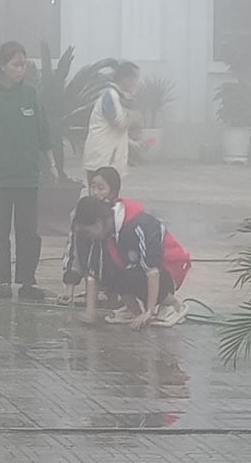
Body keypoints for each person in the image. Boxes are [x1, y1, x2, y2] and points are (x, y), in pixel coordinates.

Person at [0, 41, 58, 302]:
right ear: (2, 66)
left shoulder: (30, 94)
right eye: (16, 64)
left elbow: (43, 134)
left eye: (24, 64)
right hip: (1, 178)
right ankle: (3, 282)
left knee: (29, 232)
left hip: (28, 178)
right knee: (0, 233)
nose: (22, 69)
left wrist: (51, 164)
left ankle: (28, 281)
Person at [73, 195, 191, 329]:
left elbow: (152, 270)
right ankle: (132, 310)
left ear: (99, 224)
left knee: (134, 274)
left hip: (169, 268)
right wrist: (90, 313)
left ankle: (173, 304)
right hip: (139, 269)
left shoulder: (138, 225)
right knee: (109, 271)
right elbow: (94, 270)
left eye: (88, 231)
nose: (89, 236)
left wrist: (149, 312)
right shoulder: (106, 233)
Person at [59, 166, 122, 306]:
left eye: (101, 188)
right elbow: (72, 247)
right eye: (92, 187)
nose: (95, 193)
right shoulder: (82, 210)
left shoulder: (118, 214)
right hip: (89, 265)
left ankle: (114, 293)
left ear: (113, 191)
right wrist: (69, 288)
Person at [83, 61, 141, 181]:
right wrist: (133, 116)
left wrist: (133, 144)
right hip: (101, 160)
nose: (136, 84)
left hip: (109, 160)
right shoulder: (110, 95)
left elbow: (113, 129)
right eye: (135, 79)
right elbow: (120, 123)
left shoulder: (116, 96)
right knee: (99, 197)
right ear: (125, 79)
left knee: (109, 197)